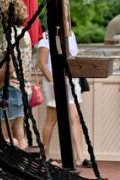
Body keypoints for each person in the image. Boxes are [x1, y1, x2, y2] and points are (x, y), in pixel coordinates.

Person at [37, 30, 89, 166]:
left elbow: (73, 57)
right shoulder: (46, 36)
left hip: (71, 81)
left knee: (75, 117)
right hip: (54, 83)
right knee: (51, 119)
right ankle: (45, 155)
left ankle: (81, 157)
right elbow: (42, 63)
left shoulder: (71, 34)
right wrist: (53, 81)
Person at [0, 0, 35, 149]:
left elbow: (9, 67)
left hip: (7, 89)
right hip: (23, 89)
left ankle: (9, 164)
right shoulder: (25, 34)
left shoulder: (8, 35)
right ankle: (21, 165)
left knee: (5, 136)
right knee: (20, 133)